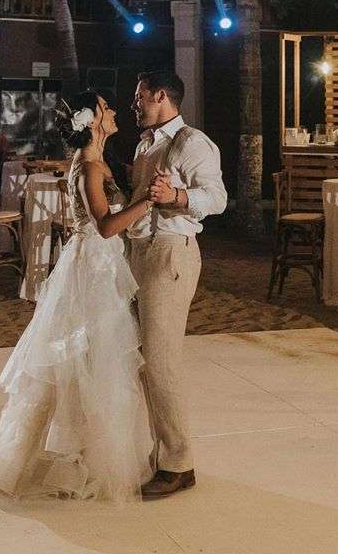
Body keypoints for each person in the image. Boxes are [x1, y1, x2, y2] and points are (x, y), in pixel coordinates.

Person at [0, 93, 154, 502]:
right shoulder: (90, 167)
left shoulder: (98, 162)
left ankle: (84, 455)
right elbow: (107, 226)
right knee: (89, 360)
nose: (113, 112)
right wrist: (147, 201)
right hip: (91, 268)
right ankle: (77, 463)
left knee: (91, 360)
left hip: (99, 264)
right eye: (107, 109)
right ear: (91, 123)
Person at [129, 72, 227, 499]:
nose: (134, 103)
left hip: (171, 253)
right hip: (140, 254)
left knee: (162, 360)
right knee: (143, 360)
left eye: (140, 96)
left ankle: (178, 463)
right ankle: (160, 454)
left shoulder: (192, 142)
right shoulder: (145, 143)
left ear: (161, 96)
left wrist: (180, 198)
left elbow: (218, 198)